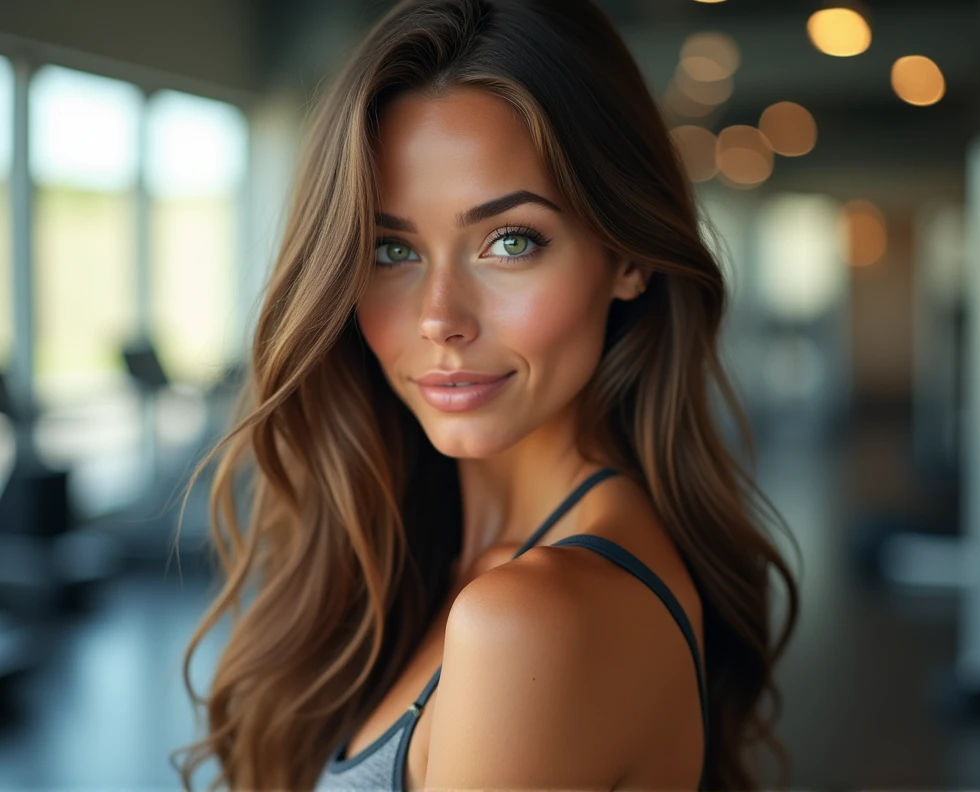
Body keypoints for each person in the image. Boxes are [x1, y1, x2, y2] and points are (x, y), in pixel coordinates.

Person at [174, 0, 800, 790]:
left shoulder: (532, 623)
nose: (440, 318)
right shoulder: (423, 556)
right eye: (390, 248)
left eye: (511, 242)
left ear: (628, 257)